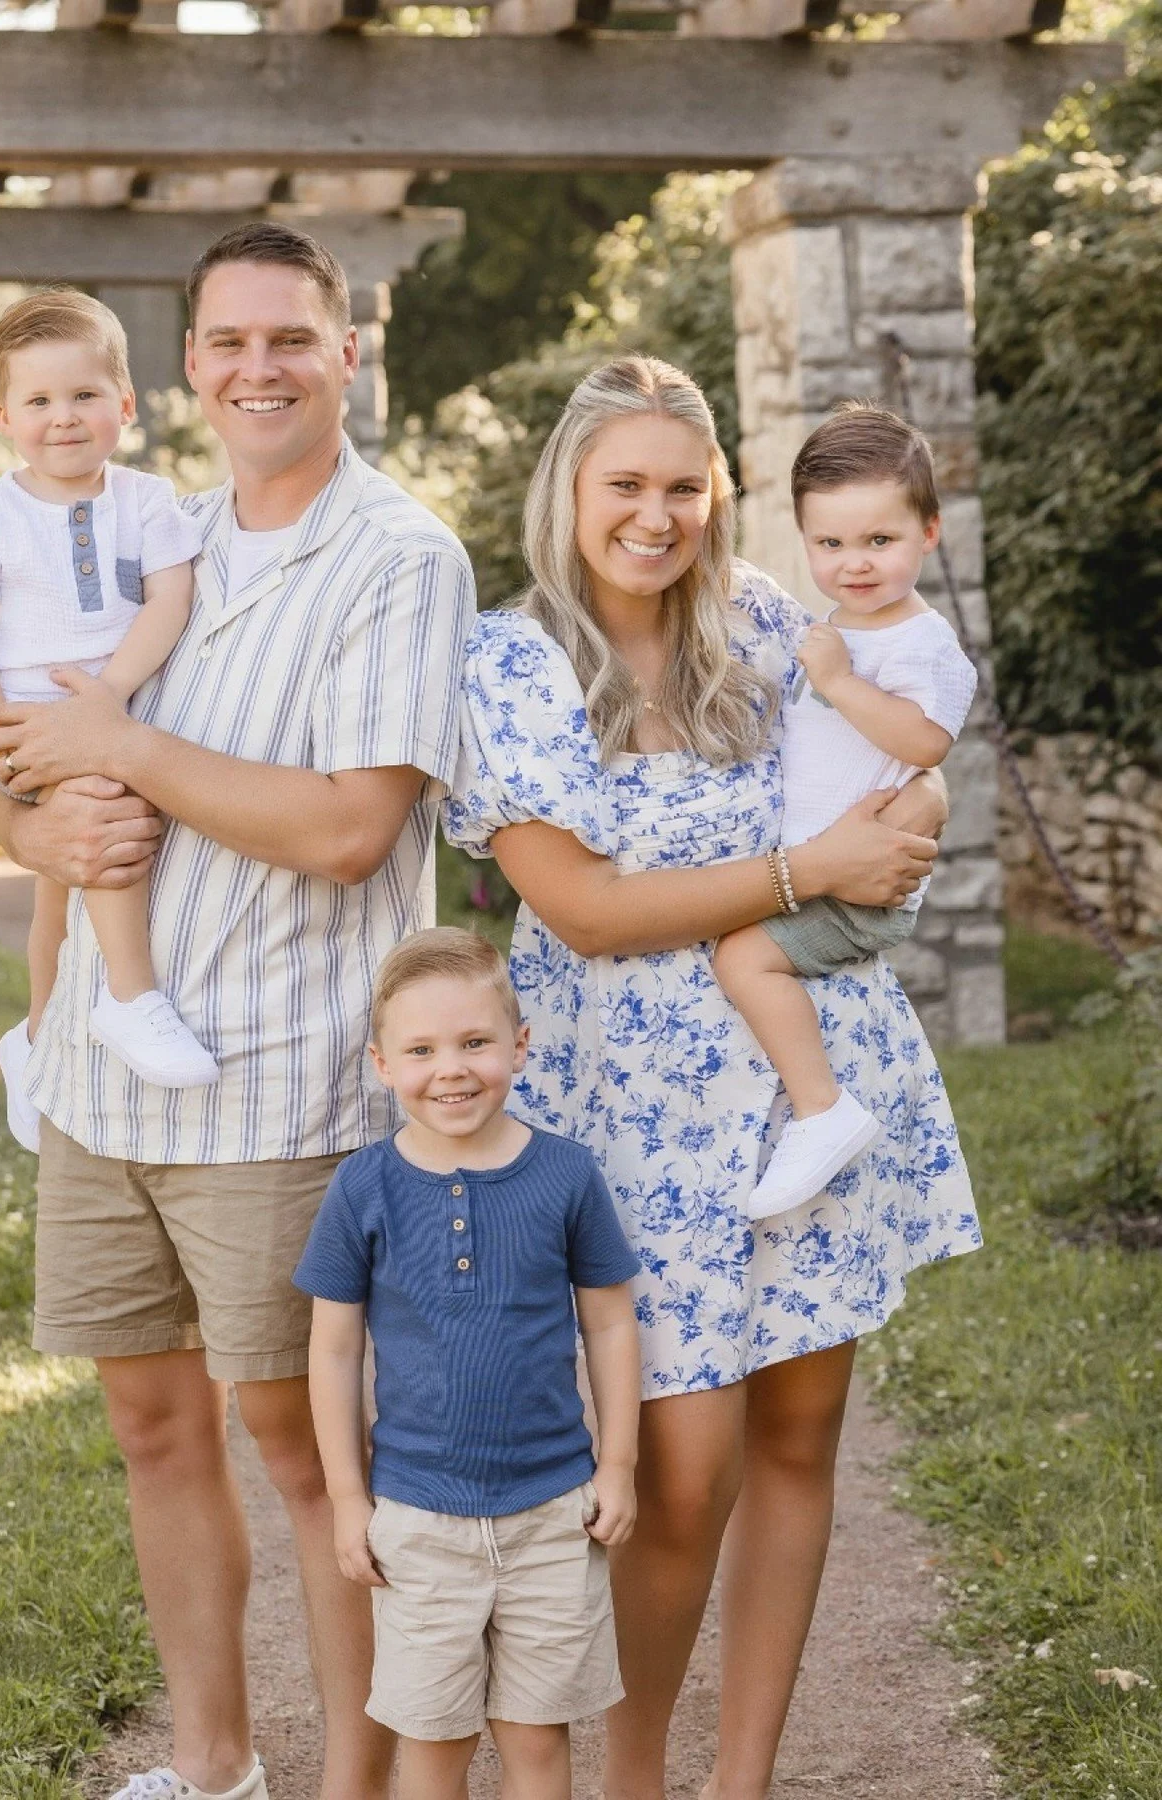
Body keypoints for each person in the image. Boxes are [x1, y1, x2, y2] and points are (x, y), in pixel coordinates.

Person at [0, 223, 476, 1800]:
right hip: (101, 1077)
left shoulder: (400, 558)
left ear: (346, 355)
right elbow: (18, 767)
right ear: (187, 365)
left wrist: (121, 748)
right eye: (230, 342)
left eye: (291, 338)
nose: (260, 369)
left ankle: (358, 1790)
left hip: (279, 1085)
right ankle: (214, 1771)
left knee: (307, 1449)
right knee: (154, 1428)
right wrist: (41, 827)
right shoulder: (149, 537)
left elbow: (352, 829)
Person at [444, 355, 981, 1800]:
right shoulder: (509, 662)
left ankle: (741, 1783)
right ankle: (635, 1783)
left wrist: (910, 818)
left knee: (800, 1441)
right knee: (680, 1476)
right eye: (626, 483)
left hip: (813, 1081)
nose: (657, 514)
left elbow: (907, 755)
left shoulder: (767, 621)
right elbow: (586, 912)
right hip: (633, 1116)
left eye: (685, 486)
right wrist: (813, 866)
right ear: (568, 490)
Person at [297, 928, 643, 1800]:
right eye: (421, 1050)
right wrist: (348, 1498)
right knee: (433, 1744)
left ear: (519, 1046)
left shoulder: (566, 1175)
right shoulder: (364, 1186)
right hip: (417, 1518)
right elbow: (333, 1349)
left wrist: (618, 1465)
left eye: (475, 1042)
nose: (450, 1070)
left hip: (551, 1512)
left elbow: (609, 1323)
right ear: (382, 1064)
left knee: (537, 1740)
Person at [0, 290, 218, 1151]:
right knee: (100, 812)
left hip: (110, 709)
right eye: (40, 400)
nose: (63, 417)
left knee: (57, 889)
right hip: (25, 723)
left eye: (85, 395)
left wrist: (111, 691)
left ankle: (36, 1032)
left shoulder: (147, 500)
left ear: (125, 404)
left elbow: (171, 597)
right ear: (5, 417)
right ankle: (132, 995)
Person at [711, 405, 977, 1221]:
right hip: (820, 867)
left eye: (879, 540)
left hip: (860, 886)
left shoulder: (922, 644)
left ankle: (821, 1109)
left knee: (743, 960)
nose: (854, 563)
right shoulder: (834, 628)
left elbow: (926, 740)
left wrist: (840, 683)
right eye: (829, 543)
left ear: (928, 532)